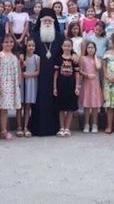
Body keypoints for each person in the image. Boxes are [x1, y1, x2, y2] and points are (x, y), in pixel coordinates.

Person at [30, 8, 65, 136]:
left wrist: (73, 54)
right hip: (38, 74)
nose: (47, 23)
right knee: (38, 99)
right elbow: (27, 50)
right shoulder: (34, 36)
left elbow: (66, 51)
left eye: (50, 21)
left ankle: (54, 127)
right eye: (45, 21)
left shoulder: (59, 36)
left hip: (54, 74)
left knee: (53, 99)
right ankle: (37, 128)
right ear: (40, 22)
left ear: (54, 22)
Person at [0, 36, 22, 141]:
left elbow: (18, 71)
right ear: (2, 43)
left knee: (5, 109)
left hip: (11, 86)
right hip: (1, 85)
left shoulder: (15, 57)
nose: (9, 44)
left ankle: (3, 131)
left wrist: (18, 84)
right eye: (6, 42)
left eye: (11, 42)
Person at [53, 39, 80, 137]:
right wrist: (54, 87)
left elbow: (77, 73)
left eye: (69, 46)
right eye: (65, 46)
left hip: (71, 86)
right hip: (61, 86)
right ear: (62, 47)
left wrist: (77, 86)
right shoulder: (58, 59)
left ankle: (67, 128)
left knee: (70, 108)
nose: (67, 48)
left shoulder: (74, 60)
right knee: (61, 108)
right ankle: (61, 128)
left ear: (72, 47)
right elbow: (56, 74)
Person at [79, 41, 103, 133]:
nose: (90, 49)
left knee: (95, 105)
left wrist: (95, 56)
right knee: (87, 105)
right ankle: (86, 124)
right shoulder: (83, 58)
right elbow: (80, 71)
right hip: (86, 83)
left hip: (95, 84)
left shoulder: (98, 59)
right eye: (89, 47)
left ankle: (94, 124)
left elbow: (98, 67)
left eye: (92, 47)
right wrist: (87, 75)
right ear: (86, 49)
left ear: (95, 49)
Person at [22, 39, 40, 138]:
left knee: (29, 106)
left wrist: (28, 75)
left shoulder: (36, 58)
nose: (31, 47)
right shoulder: (23, 57)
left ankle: (27, 127)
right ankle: (22, 127)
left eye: (33, 45)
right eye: (29, 45)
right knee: (23, 105)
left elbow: (38, 72)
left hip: (32, 82)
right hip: (23, 82)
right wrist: (22, 64)